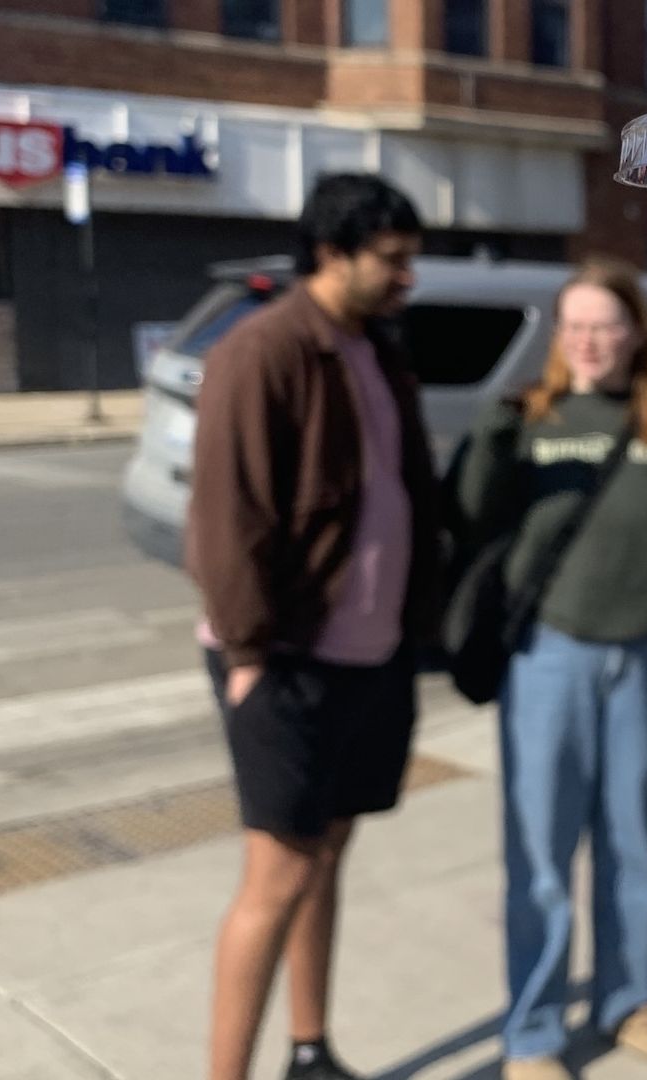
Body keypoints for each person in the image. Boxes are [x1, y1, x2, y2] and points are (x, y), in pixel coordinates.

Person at [450, 259, 647, 1080]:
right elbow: (472, 518)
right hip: (550, 659)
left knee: (631, 848)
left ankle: (628, 1001)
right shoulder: (533, 417)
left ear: (634, 332)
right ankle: (533, 1033)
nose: (587, 341)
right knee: (540, 858)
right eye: (573, 325)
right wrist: (491, 436)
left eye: (604, 324)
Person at [187, 173, 440, 1080]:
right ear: (332, 253)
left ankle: (310, 1049)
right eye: (393, 259)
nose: (408, 276)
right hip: (286, 660)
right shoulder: (262, 352)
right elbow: (225, 520)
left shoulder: (372, 345)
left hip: (369, 658)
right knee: (280, 874)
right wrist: (250, 655)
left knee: (327, 855)